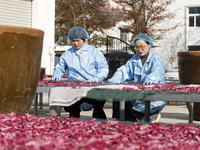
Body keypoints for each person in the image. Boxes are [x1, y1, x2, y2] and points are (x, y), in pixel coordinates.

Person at [51, 26, 109, 119]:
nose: (75, 43)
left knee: (98, 104)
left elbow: (103, 68)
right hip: (74, 86)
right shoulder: (68, 54)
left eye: (78, 41)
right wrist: (57, 74)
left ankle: (100, 124)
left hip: (92, 85)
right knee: (73, 109)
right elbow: (60, 67)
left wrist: (97, 78)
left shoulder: (94, 52)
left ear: (84, 39)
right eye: (73, 41)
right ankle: (73, 125)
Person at [108, 33, 167, 123]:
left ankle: (152, 116)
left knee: (143, 119)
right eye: (136, 47)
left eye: (142, 46)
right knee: (120, 93)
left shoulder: (155, 59)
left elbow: (157, 72)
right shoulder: (134, 59)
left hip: (153, 95)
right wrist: (114, 80)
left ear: (149, 45)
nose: (139, 49)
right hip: (139, 93)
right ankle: (126, 119)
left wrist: (149, 82)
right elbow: (124, 70)